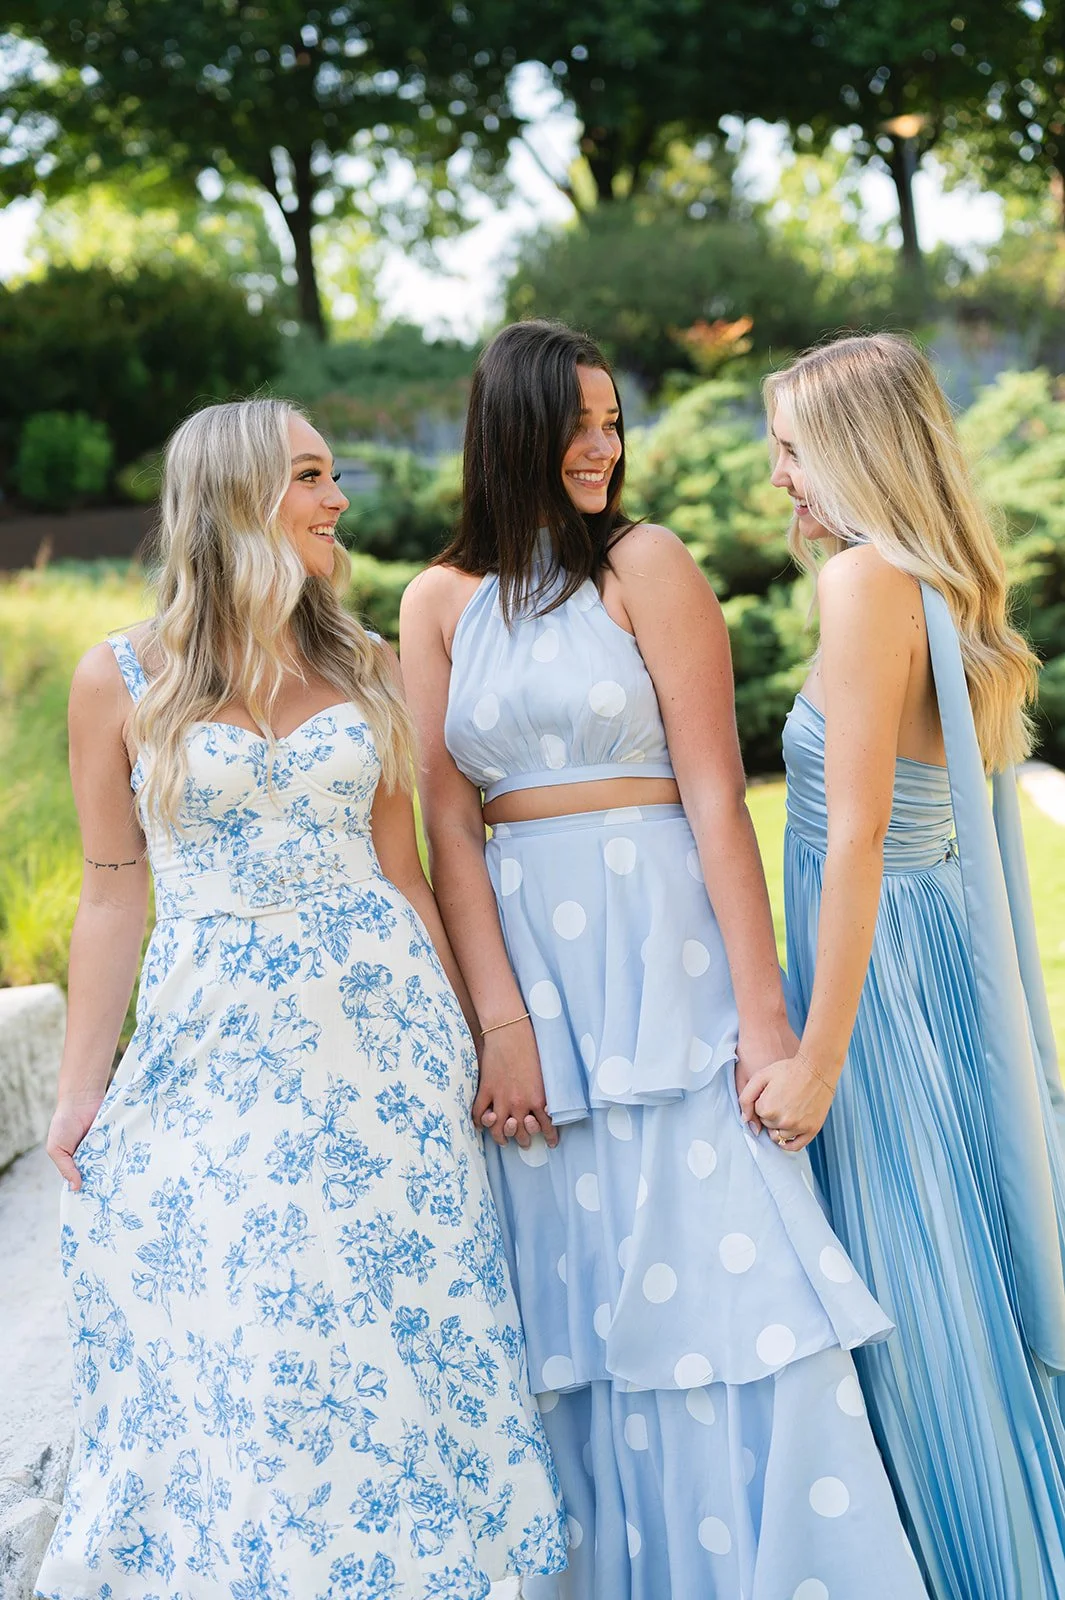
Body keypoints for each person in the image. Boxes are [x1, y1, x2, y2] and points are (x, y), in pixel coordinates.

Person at [400, 318, 926, 1600]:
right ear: (512, 429)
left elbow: (711, 791)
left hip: (667, 958)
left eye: (614, 422)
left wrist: (764, 1014)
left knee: (719, 1263)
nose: (602, 446)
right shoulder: (434, 602)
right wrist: (501, 1024)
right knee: (568, 1298)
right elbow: (447, 823)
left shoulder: (644, 563)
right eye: (578, 423)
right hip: (532, 969)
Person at [36, 398, 567, 1600]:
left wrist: (473, 1036)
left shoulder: (366, 664)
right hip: (215, 1041)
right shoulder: (117, 677)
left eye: (333, 475)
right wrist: (82, 1085)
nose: (338, 500)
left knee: (390, 1334)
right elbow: (114, 892)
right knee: (258, 1336)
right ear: (233, 498)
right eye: (312, 476)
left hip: (382, 1045)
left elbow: (404, 873)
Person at [743, 331, 1065, 1598]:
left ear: (854, 448)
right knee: (941, 1258)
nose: (781, 480)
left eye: (791, 448)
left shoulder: (868, 582)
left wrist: (817, 1055)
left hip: (876, 984)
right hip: (915, 953)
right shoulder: (935, 585)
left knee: (913, 1276)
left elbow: (862, 828)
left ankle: (968, 1555)